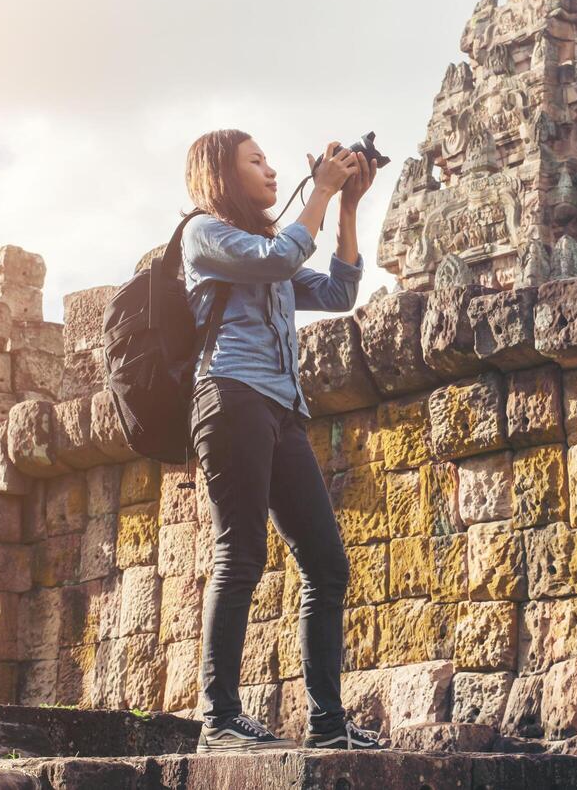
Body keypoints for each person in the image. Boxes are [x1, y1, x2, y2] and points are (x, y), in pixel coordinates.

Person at [180, 128, 382, 752]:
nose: (270, 171)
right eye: (256, 161)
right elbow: (278, 260)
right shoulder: (204, 234)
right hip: (231, 398)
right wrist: (319, 190)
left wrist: (346, 204)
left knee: (326, 564)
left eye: (270, 160)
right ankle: (218, 720)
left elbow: (340, 291)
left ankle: (326, 724)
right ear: (221, 173)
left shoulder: (271, 244)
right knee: (239, 554)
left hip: (282, 411)